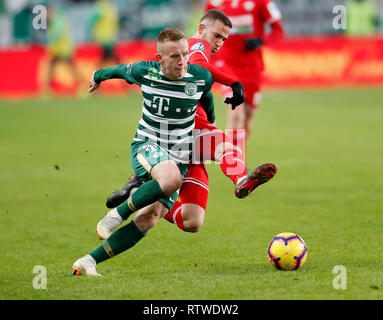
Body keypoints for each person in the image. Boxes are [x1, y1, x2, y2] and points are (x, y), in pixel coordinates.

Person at [104, 10, 277, 234]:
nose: (219, 43)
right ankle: (241, 179)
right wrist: (233, 82)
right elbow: (199, 68)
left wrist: (211, 113)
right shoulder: (197, 46)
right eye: (217, 36)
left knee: (192, 221)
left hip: (180, 135)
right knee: (225, 145)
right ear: (203, 29)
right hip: (187, 130)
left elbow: (202, 88)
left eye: (224, 39)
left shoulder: (196, 52)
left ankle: (141, 191)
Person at [72, 28, 216, 276]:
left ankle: (88, 261)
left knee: (150, 218)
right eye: (174, 56)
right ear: (159, 59)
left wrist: (210, 125)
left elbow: (207, 99)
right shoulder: (145, 71)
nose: (182, 61)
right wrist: (97, 75)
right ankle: (117, 213)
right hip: (147, 146)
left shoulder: (200, 77)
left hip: (179, 157)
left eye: (184, 54)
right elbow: (118, 70)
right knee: (171, 179)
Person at [205, 0, 284, 160]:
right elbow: (204, 31)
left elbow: (278, 30)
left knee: (246, 122)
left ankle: (238, 158)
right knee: (235, 114)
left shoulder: (261, 2)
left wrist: (262, 40)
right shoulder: (214, 3)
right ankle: (234, 164)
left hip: (252, 68)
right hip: (225, 65)